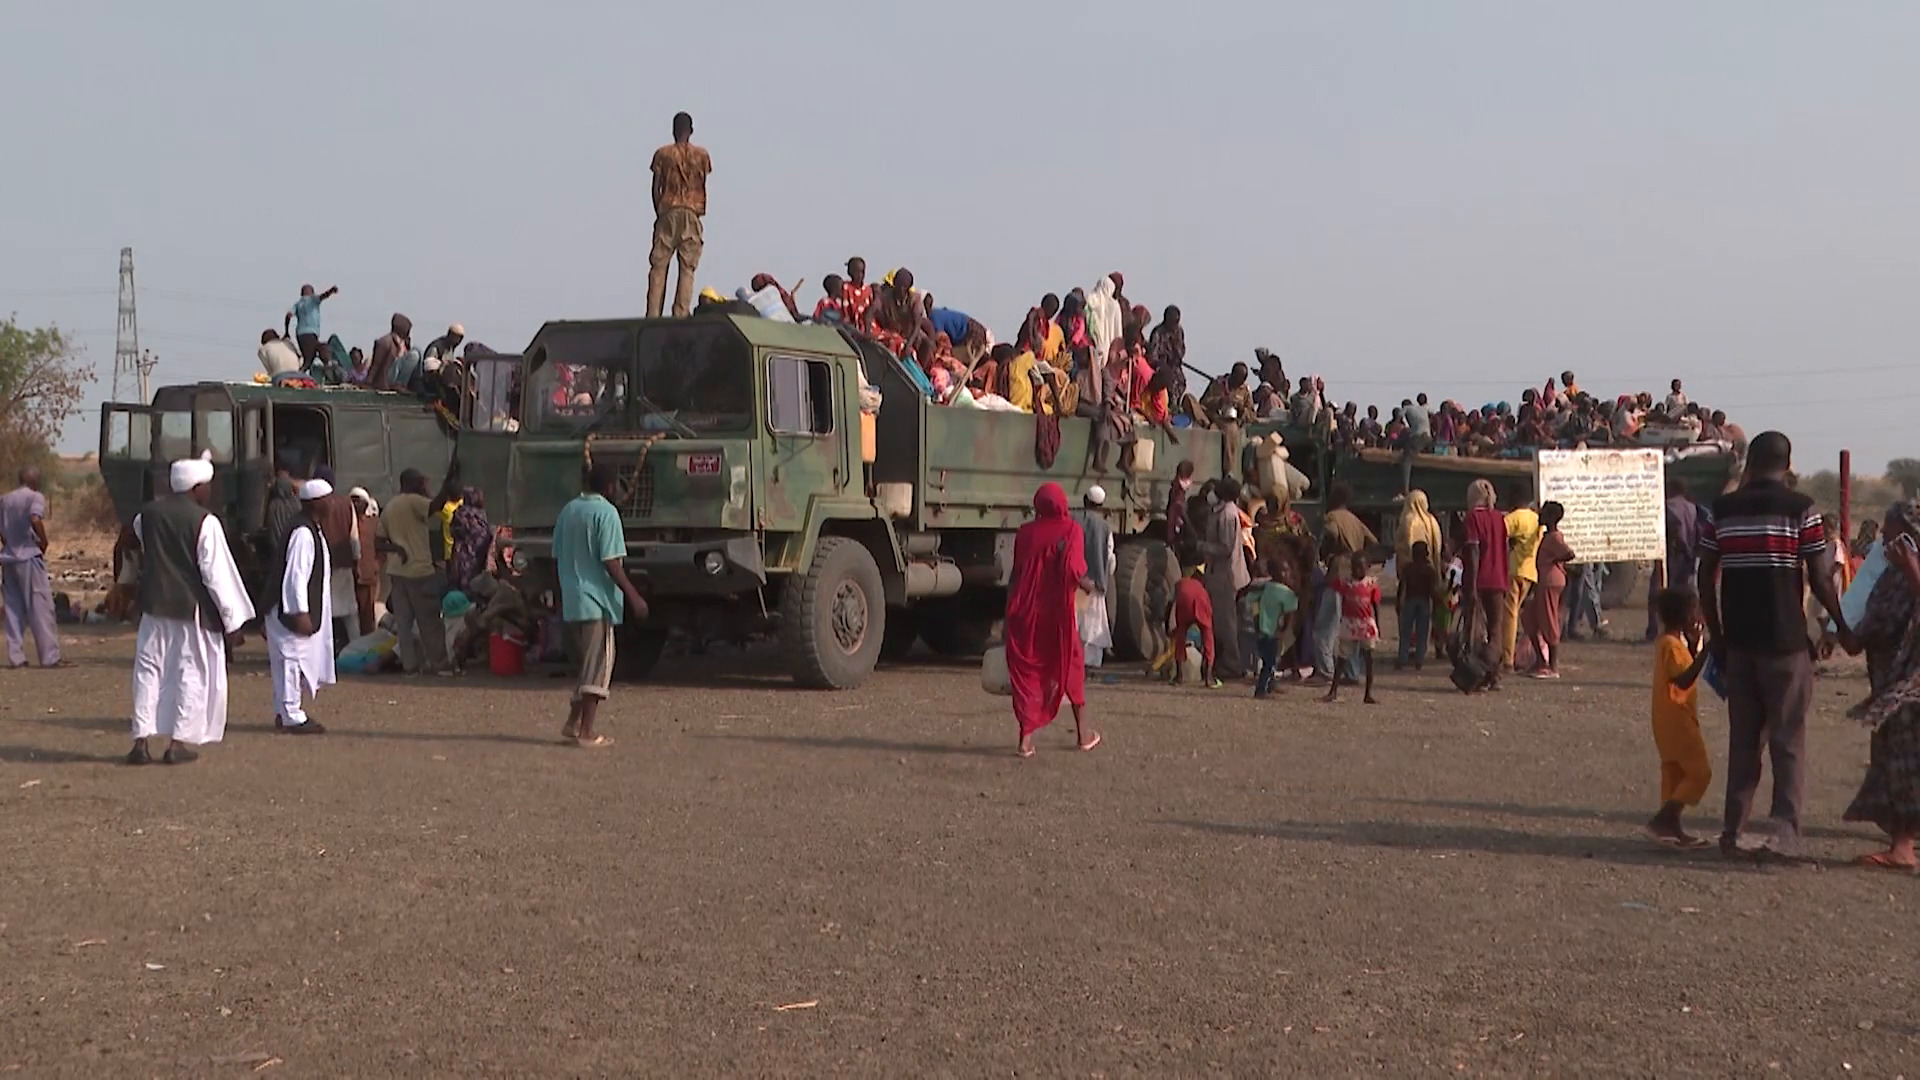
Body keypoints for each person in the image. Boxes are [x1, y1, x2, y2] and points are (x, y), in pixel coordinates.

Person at [1698, 431, 1851, 857]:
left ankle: (1733, 829)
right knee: (1788, 741)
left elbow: (1704, 576)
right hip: (1785, 644)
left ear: (1749, 462)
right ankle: (1784, 831)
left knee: (1744, 741)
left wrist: (1717, 635)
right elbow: (1821, 578)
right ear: (1787, 463)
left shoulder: (1722, 510)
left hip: (1740, 645)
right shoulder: (1801, 510)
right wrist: (1841, 625)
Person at [126, 454, 256, 765]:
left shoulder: (145, 516)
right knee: (190, 673)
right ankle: (177, 743)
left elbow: (145, 550)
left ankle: (140, 742)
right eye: (207, 487)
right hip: (190, 610)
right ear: (196, 488)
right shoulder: (205, 521)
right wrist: (233, 622)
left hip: (154, 608)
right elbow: (216, 574)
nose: (209, 493)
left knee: (148, 671)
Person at [1839, 500, 1920, 870]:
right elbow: (1871, 623)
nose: (1884, 539)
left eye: (1892, 532)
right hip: (1887, 679)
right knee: (1892, 759)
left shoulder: (1909, 572)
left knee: (1905, 762)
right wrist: (1841, 633)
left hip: (1910, 686)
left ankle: (1903, 847)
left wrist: (1913, 570)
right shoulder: (1890, 575)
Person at [553, 463, 649, 747]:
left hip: (572, 598)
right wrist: (634, 596)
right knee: (597, 668)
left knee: (586, 665)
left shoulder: (568, 511)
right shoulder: (606, 513)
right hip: (596, 600)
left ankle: (572, 724)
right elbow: (611, 562)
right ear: (609, 487)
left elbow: (557, 554)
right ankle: (587, 732)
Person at [1003, 483, 1100, 756]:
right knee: (1071, 666)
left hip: (1025, 611)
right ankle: (1083, 735)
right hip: (1056, 614)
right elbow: (1074, 570)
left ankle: (1025, 740)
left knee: (1028, 672)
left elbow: (1018, 572)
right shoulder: (1071, 531)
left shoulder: (1025, 533)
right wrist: (1089, 585)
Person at [266, 479, 337, 734]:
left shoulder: (311, 528)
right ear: (317, 503)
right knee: (291, 661)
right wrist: (299, 612)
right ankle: (291, 715)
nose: (333, 503)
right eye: (329, 499)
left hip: (292, 609)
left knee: (290, 661)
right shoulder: (303, 533)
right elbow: (295, 576)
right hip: (290, 611)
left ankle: (284, 711)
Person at [1646, 588, 1713, 847]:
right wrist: (1706, 651)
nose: (1698, 616)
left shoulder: (1669, 643)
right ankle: (1665, 818)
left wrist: (1696, 648)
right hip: (1678, 719)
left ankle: (1670, 828)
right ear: (1684, 615)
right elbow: (1683, 678)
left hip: (1666, 718)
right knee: (1700, 772)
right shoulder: (1672, 647)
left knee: (1673, 772)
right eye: (1694, 611)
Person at [378, 469, 451, 676]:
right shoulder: (415, 501)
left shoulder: (390, 506)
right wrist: (447, 482)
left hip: (397, 573)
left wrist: (397, 549)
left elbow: (378, 542)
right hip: (420, 571)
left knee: (404, 623)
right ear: (413, 484)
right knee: (430, 621)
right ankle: (440, 664)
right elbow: (436, 506)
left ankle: (409, 666)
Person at [646, 112, 712, 319]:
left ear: (673, 130)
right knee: (687, 267)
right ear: (690, 131)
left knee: (658, 266)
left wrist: (660, 211)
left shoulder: (662, 155)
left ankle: (653, 314)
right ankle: (680, 314)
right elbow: (703, 184)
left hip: (668, 211)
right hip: (691, 214)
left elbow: (655, 187)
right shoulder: (701, 155)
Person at [1314, 482, 1376, 684]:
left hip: (1338, 571)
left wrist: (1326, 552)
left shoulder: (1332, 517)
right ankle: (1352, 673)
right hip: (1355, 574)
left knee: (1325, 626)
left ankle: (1326, 671)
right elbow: (1373, 540)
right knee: (1350, 625)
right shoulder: (1355, 520)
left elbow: (1330, 533)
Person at [1, 466, 62, 668]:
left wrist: (7, 543)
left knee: (12, 608)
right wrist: (43, 542)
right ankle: (49, 657)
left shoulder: (5, 499)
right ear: (34, 481)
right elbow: (35, 518)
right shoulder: (35, 497)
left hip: (8, 559)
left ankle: (16, 657)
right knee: (40, 606)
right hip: (29, 556)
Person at [1461, 478, 1510, 691]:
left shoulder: (1473, 518)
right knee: (1496, 630)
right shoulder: (1499, 518)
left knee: (1477, 631)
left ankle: (1478, 675)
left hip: (1479, 580)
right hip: (1499, 579)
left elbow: (1473, 553)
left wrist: (1470, 586)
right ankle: (1495, 675)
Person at [1200, 477, 1252, 680]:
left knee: (1226, 622)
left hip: (1226, 575)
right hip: (1219, 573)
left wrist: (1202, 546)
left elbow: (1225, 548)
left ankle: (1232, 665)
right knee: (1221, 620)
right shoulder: (1222, 511)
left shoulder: (1228, 515)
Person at [308, 466, 361, 647]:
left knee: (324, 610)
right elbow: (354, 536)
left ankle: (326, 650)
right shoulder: (346, 503)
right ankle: (356, 647)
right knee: (350, 611)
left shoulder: (315, 505)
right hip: (344, 563)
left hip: (323, 565)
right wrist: (356, 559)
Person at [1524, 501, 1575, 678]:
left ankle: (1552, 666)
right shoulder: (1548, 536)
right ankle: (1541, 661)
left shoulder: (1554, 537)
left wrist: (1555, 561)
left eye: (1544, 513)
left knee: (1548, 619)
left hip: (1550, 581)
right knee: (1530, 618)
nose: (1540, 515)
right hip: (1545, 580)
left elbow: (1569, 553)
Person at [1324, 552, 1380, 705]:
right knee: (1342, 659)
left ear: (1367, 568)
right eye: (1354, 567)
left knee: (1368, 660)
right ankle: (1333, 691)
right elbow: (1330, 581)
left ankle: (1368, 693)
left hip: (1365, 625)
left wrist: (1377, 625)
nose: (1357, 571)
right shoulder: (1345, 583)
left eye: (1360, 567)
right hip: (1349, 624)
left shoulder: (1371, 584)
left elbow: (1375, 605)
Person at [450, 571, 535, 671]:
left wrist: (465, 639)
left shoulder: (503, 594)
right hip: (514, 625)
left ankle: (490, 654)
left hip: (519, 628)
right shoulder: (501, 590)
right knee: (475, 617)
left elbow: (484, 620)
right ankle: (484, 653)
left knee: (487, 621)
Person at [1072, 487, 1116, 666]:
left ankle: (1071, 660)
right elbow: (1109, 556)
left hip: (1075, 582)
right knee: (1092, 625)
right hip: (1095, 585)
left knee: (1075, 621)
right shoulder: (1105, 527)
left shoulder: (1072, 520)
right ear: (1101, 506)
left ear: (1084, 500)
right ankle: (1089, 663)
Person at [1501, 483, 1541, 670]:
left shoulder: (1513, 518)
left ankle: (1507, 658)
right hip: (1530, 572)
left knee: (1509, 616)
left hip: (1513, 570)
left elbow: (1499, 536)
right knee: (1515, 612)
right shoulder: (1536, 519)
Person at [1251, 559, 1299, 698]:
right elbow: (1289, 614)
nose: (1286, 573)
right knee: (1270, 662)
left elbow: (1251, 599)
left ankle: (1270, 685)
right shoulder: (1287, 592)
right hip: (1274, 631)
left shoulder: (1266, 586)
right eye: (1283, 571)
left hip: (1261, 628)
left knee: (1268, 659)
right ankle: (1261, 689)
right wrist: (1284, 629)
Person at [1167, 569, 1219, 688]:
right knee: (1208, 638)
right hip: (1201, 601)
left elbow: (1170, 604)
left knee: (1180, 638)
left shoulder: (1179, 584)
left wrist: (1167, 625)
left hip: (1185, 602)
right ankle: (1208, 677)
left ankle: (1179, 676)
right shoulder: (1202, 588)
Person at [1397, 540, 1438, 672]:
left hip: (1410, 600)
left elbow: (1402, 587)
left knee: (1406, 632)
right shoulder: (1429, 570)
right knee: (1422, 632)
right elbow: (1432, 590)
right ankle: (1419, 660)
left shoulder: (1408, 568)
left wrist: (1399, 602)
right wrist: (1437, 604)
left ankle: (1402, 659)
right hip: (1424, 601)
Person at [348, 487, 380, 637]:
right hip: (349, 576)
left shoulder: (373, 523)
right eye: (352, 501)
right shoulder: (346, 523)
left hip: (368, 575)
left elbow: (382, 545)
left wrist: (376, 564)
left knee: (367, 616)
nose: (355, 504)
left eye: (358, 501)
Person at [447, 488, 493, 594]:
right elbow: (478, 534)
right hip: (468, 556)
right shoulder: (463, 514)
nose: (482, 499)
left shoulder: (478, 513)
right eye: (479, 495)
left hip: (478, 555)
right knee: (468, 585)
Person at [284, 284, 339, 368]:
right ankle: (327, 365)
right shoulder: (313, 299)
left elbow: (288, 315)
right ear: (312, 292)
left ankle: (323, 365)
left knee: (309, 358)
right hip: (310, 334)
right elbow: (323, 296)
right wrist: (331, 290)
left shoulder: (297, 304)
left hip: (300, 335)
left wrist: (287, 331)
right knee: (319, 351)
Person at [367, 313, 415, 390]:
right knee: (414, 354)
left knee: (416, 350)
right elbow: (376, 364)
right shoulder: (385, 342)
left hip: (394, 376)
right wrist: (369, 382)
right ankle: (400, 384)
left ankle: (415, 383)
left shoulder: (402, 343)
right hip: (385, 380)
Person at [1087, 274, 1123, 364]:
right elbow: (1118, 334)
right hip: (1108, 350)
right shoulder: (1114, 305)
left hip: (1092, 349)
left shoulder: (1091, 301)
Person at [841, 258, 874, 327]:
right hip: (852, 324)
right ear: (850, 272)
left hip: (868, 324)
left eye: (862, 272)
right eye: (856, 272)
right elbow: (845, 309)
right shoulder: (846, 287)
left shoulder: (868, 290)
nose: (860, 275)